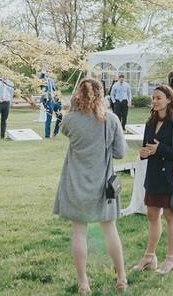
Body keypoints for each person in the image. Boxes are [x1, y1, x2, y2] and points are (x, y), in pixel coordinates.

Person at [53, 79, 128, 294]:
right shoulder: (111, 119)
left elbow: (64, 131)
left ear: (78, 94)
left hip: (75, 181)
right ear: (102, 94)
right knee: (110, 230)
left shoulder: (71, 120)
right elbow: (120, 152)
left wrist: (74, 107)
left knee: (79, 232)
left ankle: (83, 282)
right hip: (103, 183)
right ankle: (121, 277)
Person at [133, 85, 173, 275]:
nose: (155, 101)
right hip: (153, 174)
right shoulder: (150, 122)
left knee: (170, 215)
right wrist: (143, 153)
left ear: (169, 99)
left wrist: (161, 149)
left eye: (158, 98)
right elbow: (147, 147)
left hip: (170, 175)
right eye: (153, 98)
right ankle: (149, 256)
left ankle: (171, 259)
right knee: (152, 216)